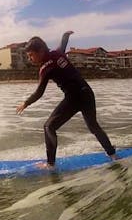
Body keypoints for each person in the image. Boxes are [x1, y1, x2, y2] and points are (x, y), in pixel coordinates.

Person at [16, 31, 117, 168]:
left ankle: (50, 164)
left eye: (31, 55)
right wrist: (66, 35)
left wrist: (26, 103)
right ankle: (112, 155)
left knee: (49, 126)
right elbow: (63, 44)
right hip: (87, 93)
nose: (30, 59)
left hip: (74, 98)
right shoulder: (58, 53)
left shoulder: (46, 68)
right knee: (93, 126)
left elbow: (39, 92)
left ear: (40, 51)